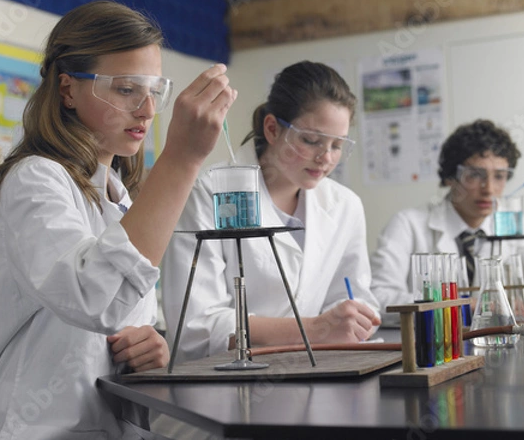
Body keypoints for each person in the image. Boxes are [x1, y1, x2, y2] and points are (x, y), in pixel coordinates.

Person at [0, 0, 236, 439]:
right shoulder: (34, 178)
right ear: (68, 89)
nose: (148, 110)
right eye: (126, 89)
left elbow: (118, 316)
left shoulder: (118, 195)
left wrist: (149, 345)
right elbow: (95, 298)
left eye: (153, 90)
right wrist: (181, 160)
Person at [161, 60, 381, 364]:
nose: (326, 158)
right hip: (227, 385)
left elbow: (352, 297)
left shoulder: (345, 205)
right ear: (273, 128)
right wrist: (315, 329)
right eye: (311, 140)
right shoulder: (208, 192)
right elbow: (195, 328)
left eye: (337, 145)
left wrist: (353, 319)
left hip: (319, 373)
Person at [370, 119, 524, 325]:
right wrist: (463, 305)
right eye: (475, 175)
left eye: (500, 176)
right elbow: (379, 298)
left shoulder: (520, 227)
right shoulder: (408, 225)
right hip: (433, 349)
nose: (489, 189)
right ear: (450, 176)